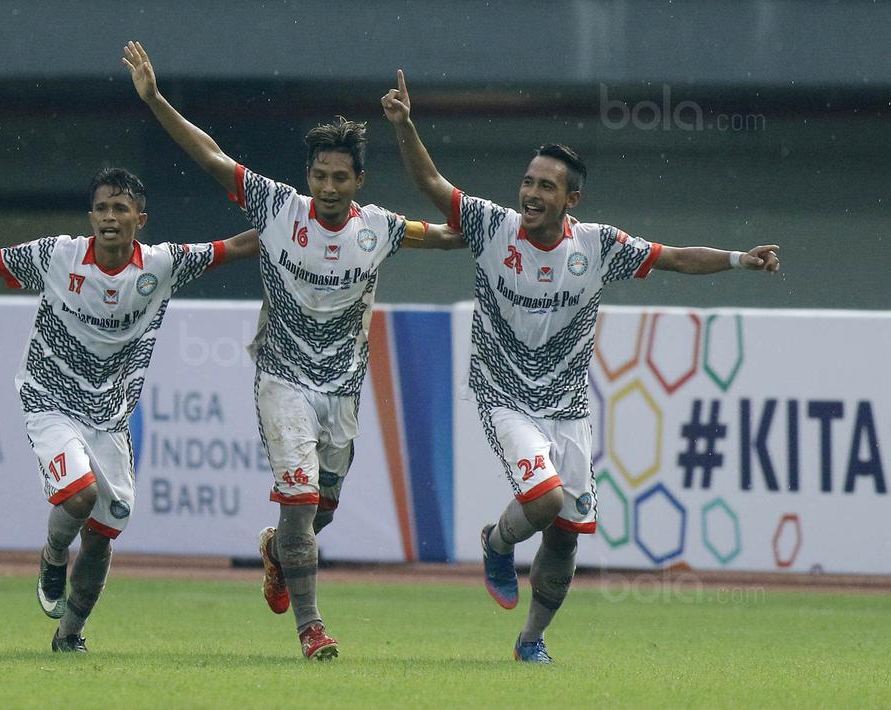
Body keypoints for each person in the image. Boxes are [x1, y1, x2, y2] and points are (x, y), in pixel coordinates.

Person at [381, 69, 781, 663]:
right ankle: (496, 544)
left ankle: (530, 641)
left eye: (546, 186)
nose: (531, 193)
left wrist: (740, 259)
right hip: (504, 394)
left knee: (566, 538)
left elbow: (674, 257)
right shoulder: (493, 227)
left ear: (571, 200)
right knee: (543, 501)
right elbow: (433, 184)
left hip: (567, 408)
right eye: (528, 181)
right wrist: (404, 125)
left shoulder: (596, 246)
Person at [123, 41, 463, 660]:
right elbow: (211, 156)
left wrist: (407, 131)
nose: (329, 187)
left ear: (359, 181)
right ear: (308, 176)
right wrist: (156, 100)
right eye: (320, 175)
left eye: (341, 177)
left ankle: (277, 552)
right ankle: (313, 629)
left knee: (318, 511)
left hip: (343, 389)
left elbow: (452, 234)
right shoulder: (277, 207)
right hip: (282, 378)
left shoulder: (381, 227)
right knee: (301, 501)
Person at [0, 167, 258, 653]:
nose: (110, 217)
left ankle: (69, 635)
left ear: (140, 218)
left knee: (101, 534)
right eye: (101, 208)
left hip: (110, 417)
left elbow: (235, 247)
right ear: (91, 216)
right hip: (49, 397)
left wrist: (295, 225)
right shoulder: (58, 255)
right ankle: (54, 555)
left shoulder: (163, 264)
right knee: (79, 496)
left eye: (120, 208)